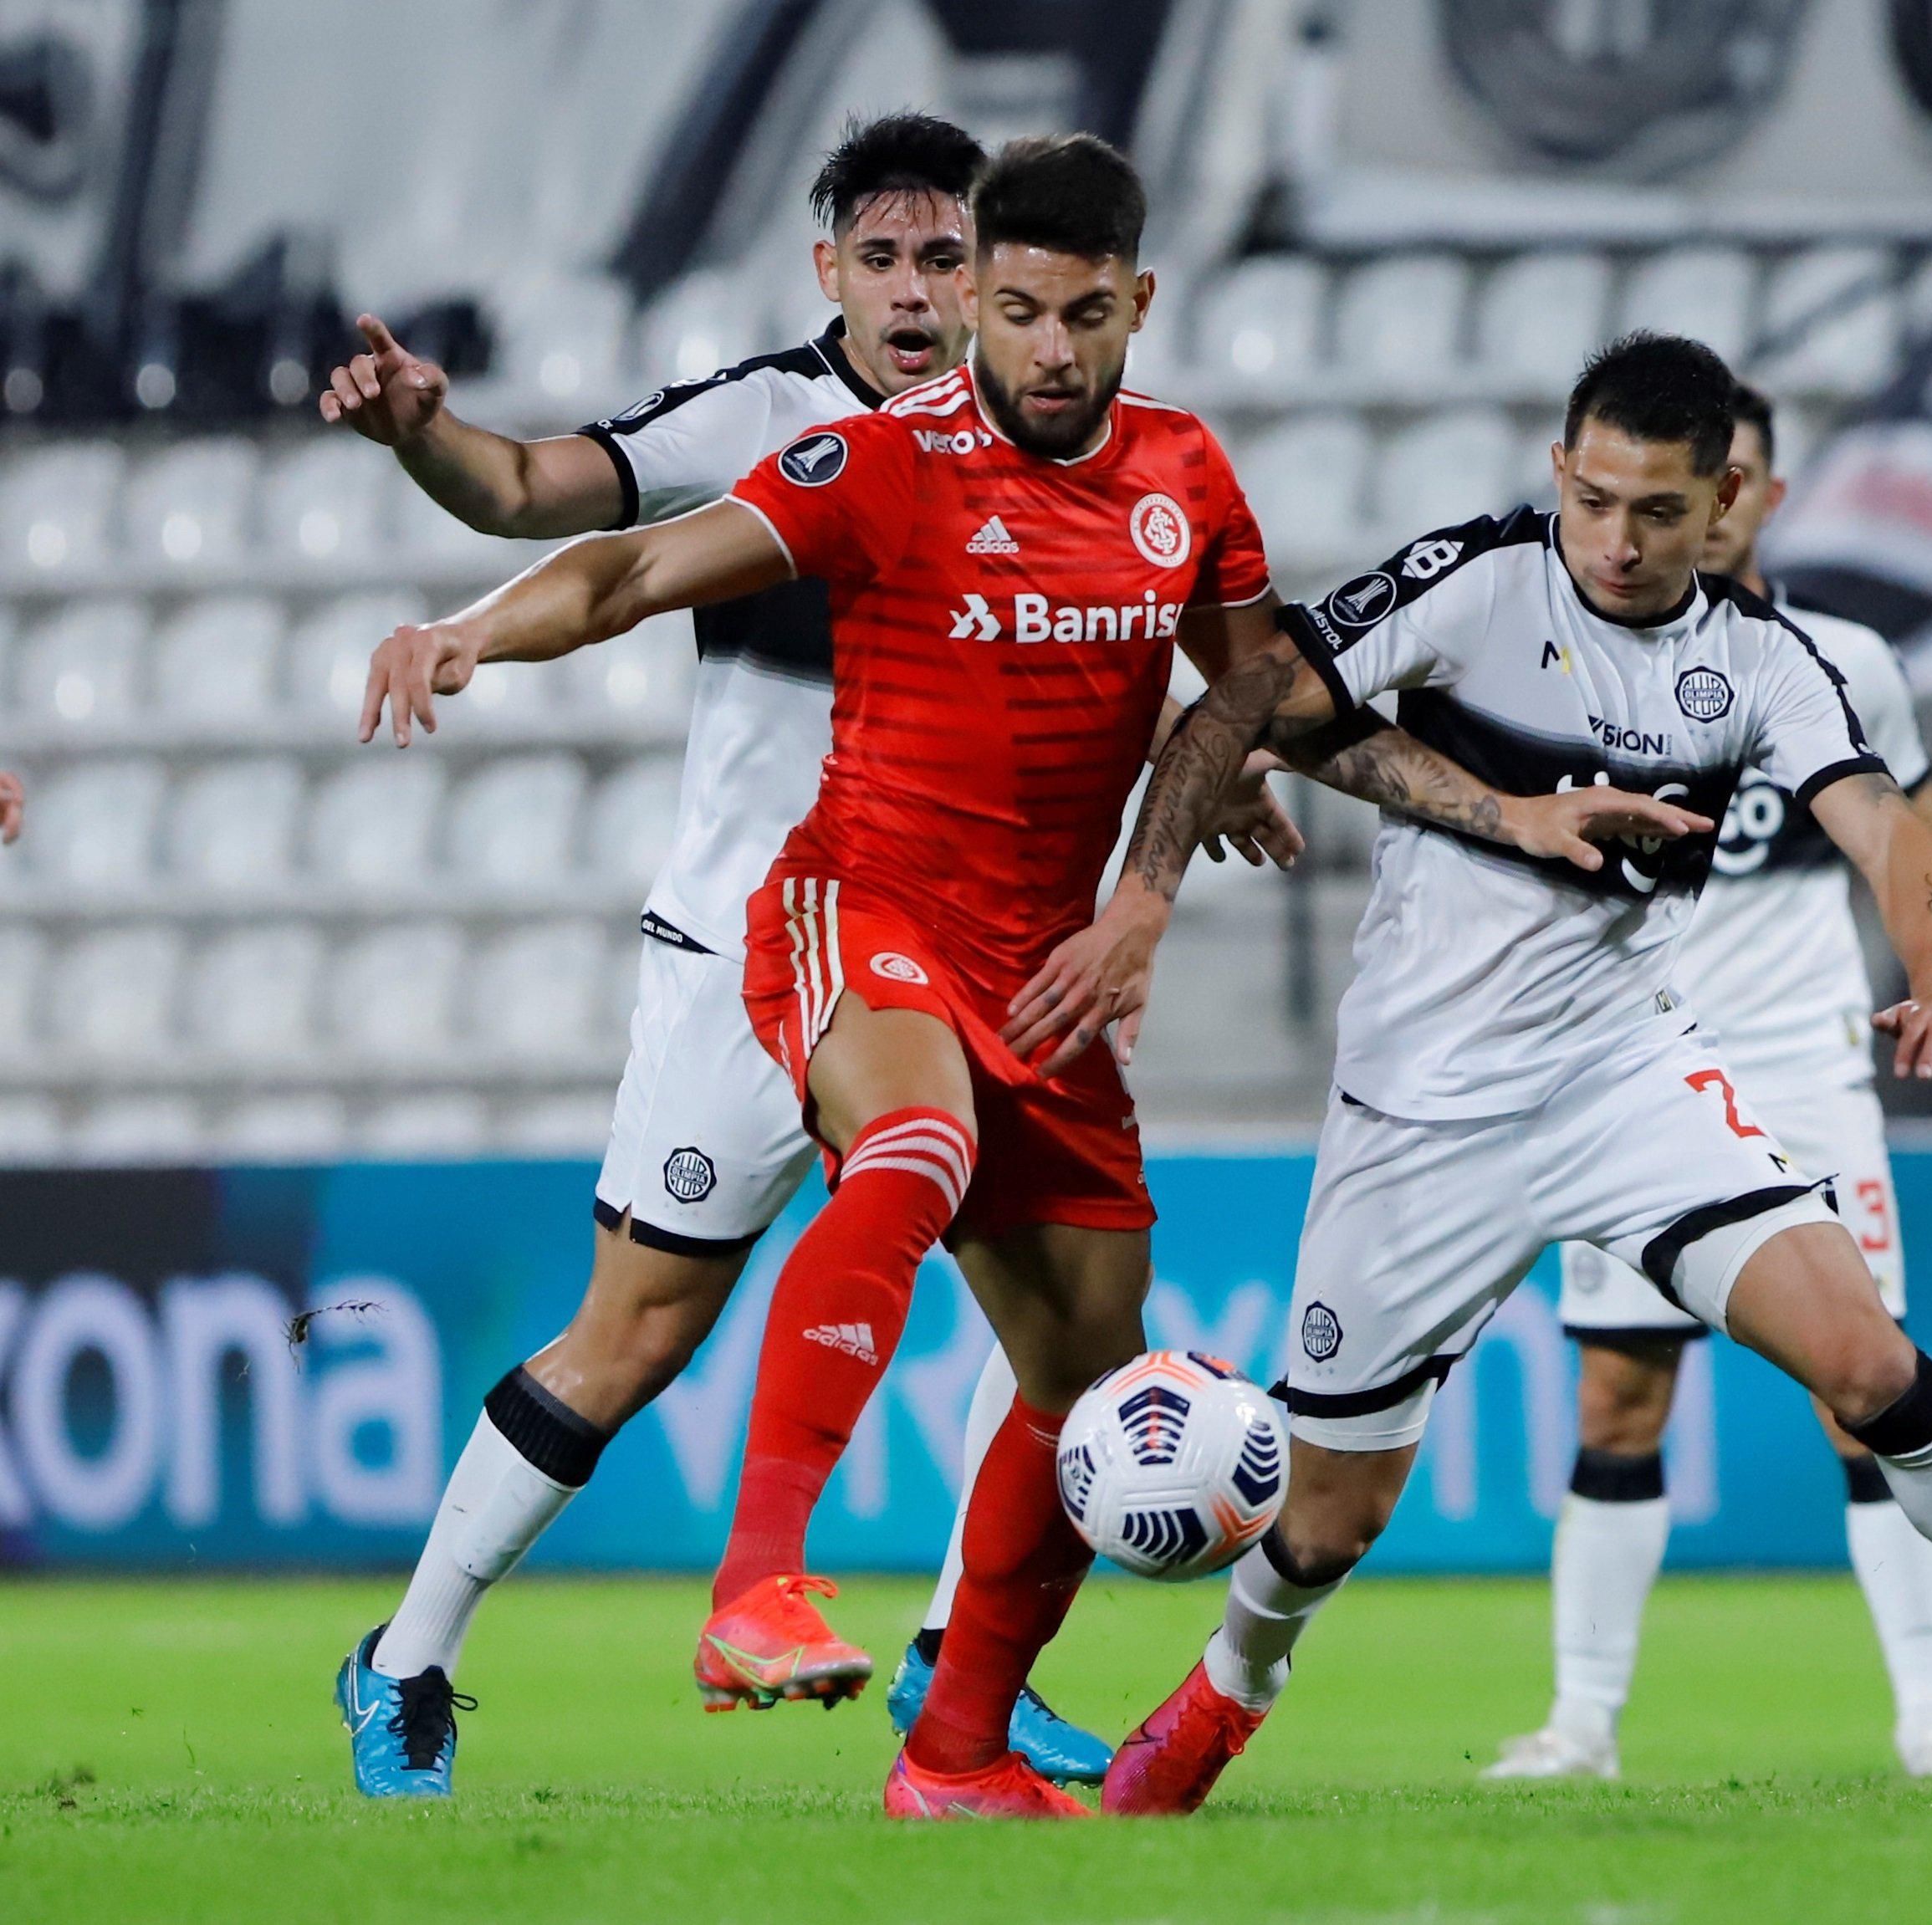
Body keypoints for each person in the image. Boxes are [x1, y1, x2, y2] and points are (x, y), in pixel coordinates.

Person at [351, 134, 1691, 1822]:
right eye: (1013, 308)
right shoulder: (863, 453)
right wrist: (476, 628)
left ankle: (957, 1747)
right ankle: (717, 1594)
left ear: (1139, 304)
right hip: (836, 912)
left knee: (1083, 1360)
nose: (1047, 349)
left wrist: (1496, 805)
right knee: (794, 1228)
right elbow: (612, 555)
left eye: (1083, 315)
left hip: (1033, 971)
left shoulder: (1183, 477)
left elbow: (1262, 696)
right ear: (949, 291)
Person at [1029, 332, 1932, 1818]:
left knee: (1866, 1361)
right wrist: (1140, 905)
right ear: (1560, 471)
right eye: (1593, 498)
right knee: (1331, 1515)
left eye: (1658, 510)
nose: (1617, 537)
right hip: (1420, 1115)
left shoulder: (1766, 667)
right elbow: (1236, 708)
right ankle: (1223, 1696)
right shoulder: (1474, 578)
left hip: (1623, 1076)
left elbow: (1891, 829)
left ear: (1725, 498)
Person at [322, 112, 1142, 1798]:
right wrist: (427, 443)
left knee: (1061, 1323)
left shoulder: (1062, 451)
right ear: (829, 268)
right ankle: (404, 1655)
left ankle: (959, 1675)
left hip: (960, 948)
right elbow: (537, 496)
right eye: (889, 260)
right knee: (628, 1337)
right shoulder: (771, 420)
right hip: (746, 954)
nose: (921, 295)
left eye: (950, 261)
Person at [1484, 385, 1932, 1785]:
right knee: (1618, 1403)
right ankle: (1582, 1725)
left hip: (1809, 1077)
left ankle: (1930, 1720)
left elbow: (1928, 849)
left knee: (1870, 1398)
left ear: (1760, 498)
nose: (1699, 509)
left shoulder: (1840, 661)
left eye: (1725, 482)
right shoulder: (1564, 657)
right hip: (1635, 1073)